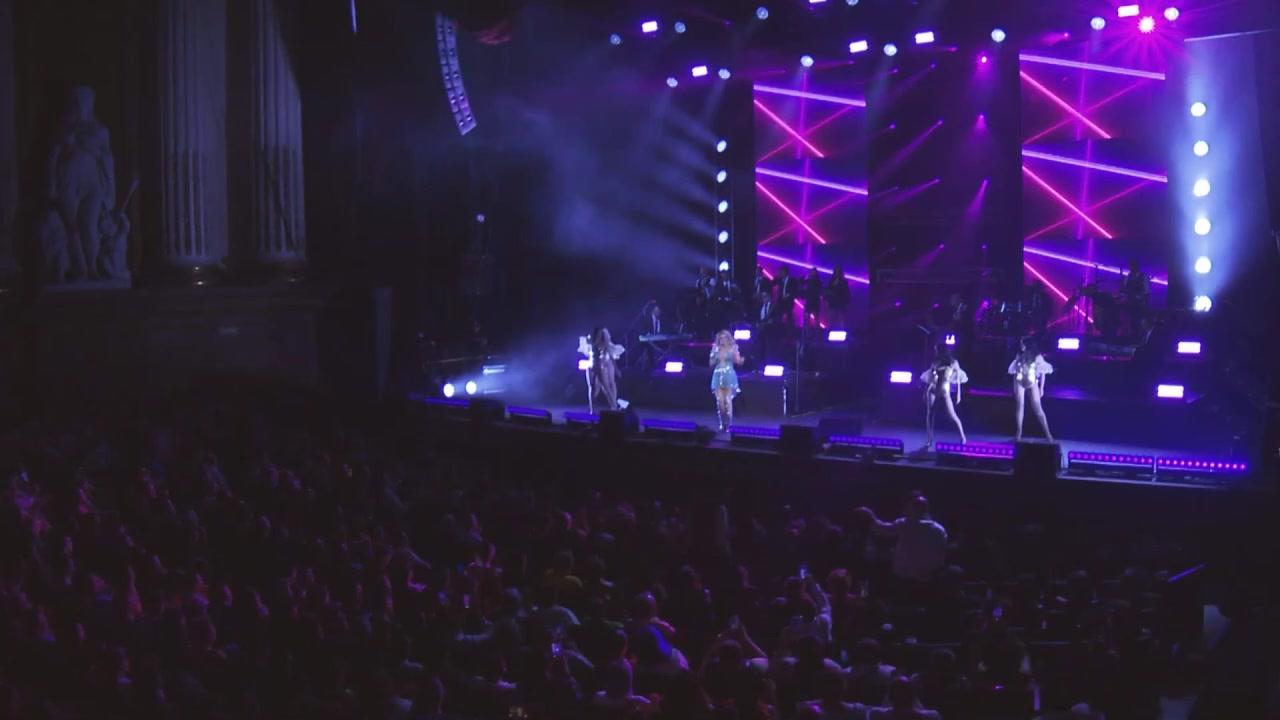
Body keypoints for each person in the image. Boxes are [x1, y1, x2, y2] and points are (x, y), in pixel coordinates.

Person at [855, 495, 948, 584]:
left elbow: (881, 529)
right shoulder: (940, 529)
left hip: (906, 578)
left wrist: (869, 515)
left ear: (912, 509)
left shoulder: (905, 524)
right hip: (930, 580)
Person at [919, 344, 968, 448]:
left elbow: (958, 379)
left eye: (936, 350)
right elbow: (930, 378)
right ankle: (929, 439)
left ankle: (963, 436)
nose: (935, 352)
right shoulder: (935, 363)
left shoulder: (954, 363)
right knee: (930, 414)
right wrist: (924, 392)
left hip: (945, 390)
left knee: (952, 415)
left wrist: (959, 394)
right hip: (933, 389)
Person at [1008, 337, 1054, 442]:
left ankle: (1048, 433)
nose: (1021, 346)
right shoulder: (1019, 355)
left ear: (1028, 345)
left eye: (1023, 344)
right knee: (1020, 405)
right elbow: (1015, 371)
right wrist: (1014, 384)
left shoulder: (1037, 357)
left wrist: (1041, 388)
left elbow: (1042, 372)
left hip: (1032, 382)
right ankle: (1019, 431)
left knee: (1038, 408)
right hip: (1020, 381)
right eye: (1021, 343)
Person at [578, 328, 624, 413]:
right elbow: (584, 338)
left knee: (606, 386)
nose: (599, 335)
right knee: (591, 388)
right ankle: (592, 409)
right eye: (598, 334)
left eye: (601, 334)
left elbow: (611, 357)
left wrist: (617, 369)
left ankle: (614, 406)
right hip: (591, 366)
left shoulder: (604, 343)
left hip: (599, 366)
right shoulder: (590, 341)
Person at [710, 329, 744, 431]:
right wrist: (713, 355)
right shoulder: (715, 348)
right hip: (718, 375)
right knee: (720, 401)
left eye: (725, 338)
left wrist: (741, 360)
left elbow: (738, 361)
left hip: (729, 376)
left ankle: (729, 424)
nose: (722, 340)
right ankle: (722, 421)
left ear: (728, 339)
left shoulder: (733, 347)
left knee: (728, 400)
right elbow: (711, 363)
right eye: (721, 338)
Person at [827, 265, 850, 330]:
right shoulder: (831, 281)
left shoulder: (844, 281)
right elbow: (828, 291)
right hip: (833, 302)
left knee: (841, 319)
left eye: (838, 270)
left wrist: (846, 302)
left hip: (840, 302)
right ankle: (831, 332)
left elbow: (846, 292)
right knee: (832, 319)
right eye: (836, 270)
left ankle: (842, 332)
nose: (837, 272)